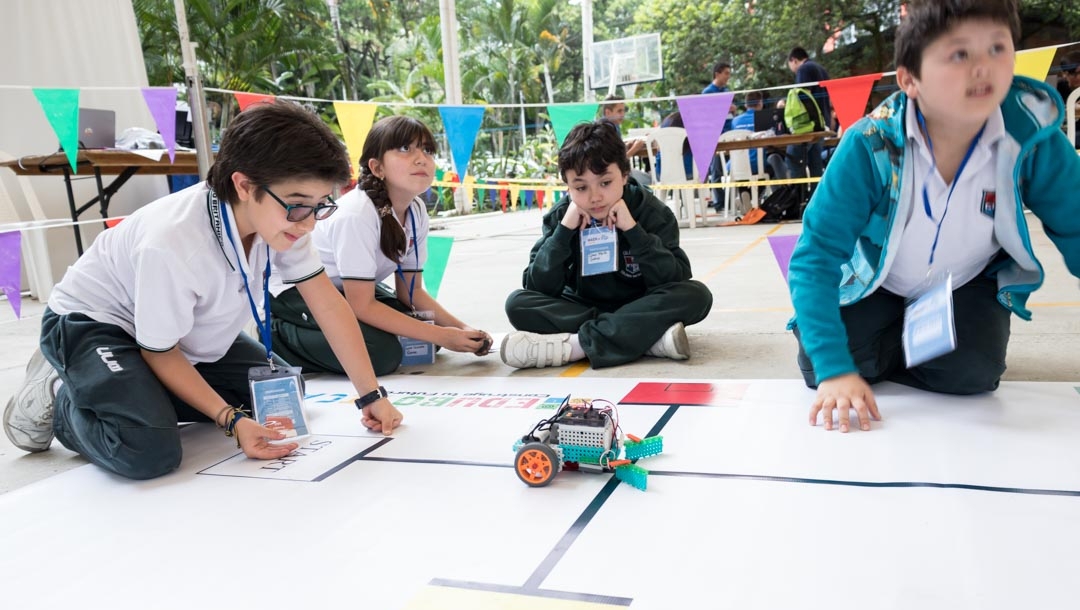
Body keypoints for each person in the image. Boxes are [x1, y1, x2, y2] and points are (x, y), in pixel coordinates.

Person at [2, 102, 403, 480]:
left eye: (320, 206)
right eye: (299, 204)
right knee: (147, 448)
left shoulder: (284, 220)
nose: (309, 223)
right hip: (96, 325)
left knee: (281, 392)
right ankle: (63, 399)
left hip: (177, 332)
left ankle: (133, 392)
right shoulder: (173, 243)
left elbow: (328, 305)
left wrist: (370, 394)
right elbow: (159, 351)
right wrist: (230, 420)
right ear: (243, 185)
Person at [787, 0, 1080, 434]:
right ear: (909, 79)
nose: (983, 68)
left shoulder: (1032, 139)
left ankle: (914, 344)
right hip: (878, 282)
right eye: (959, 53)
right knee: (822, 368)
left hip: (966, 282)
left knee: (973, 374)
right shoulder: (869, 144)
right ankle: (896, 339)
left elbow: (1076, 226)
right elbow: (816, 256)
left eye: (998, 48)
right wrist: (836, 369)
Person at [269, 115, 492, 376]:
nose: (421, 158)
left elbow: (411, 293)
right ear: (377, 167)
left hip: (348, 292)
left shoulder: (416, 210)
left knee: (425, 336)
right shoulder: (357, 214)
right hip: (297, 292)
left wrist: (462, 330)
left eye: (427, 150)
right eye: (405, 148)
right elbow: (362, 305)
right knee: (382, 353)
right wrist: (443, 335)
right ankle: (275, 337)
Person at [501, 121, 713, 369]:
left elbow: (674, 278)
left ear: (624, 175)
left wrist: (633, 230)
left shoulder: (652, 212)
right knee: (517, 303)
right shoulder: (562, 216)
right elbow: (537, 286)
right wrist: (563, 232)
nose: (595, 197)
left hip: (639, 303)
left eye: (605, 183)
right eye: (581, 187)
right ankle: (645, 338)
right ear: (568, 186)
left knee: (697, 295)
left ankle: (576, 346)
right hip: (583, 306)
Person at [784, 46, 831, 189]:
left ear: (794, 60)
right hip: (822, 124)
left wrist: (785, 104)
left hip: (808, 125)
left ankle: (799, 196)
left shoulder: (804, 69)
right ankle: (816, 197)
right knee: (815, 164)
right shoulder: (821, 69)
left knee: (793, 159)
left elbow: (802, 96)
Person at [729, 90, 788, 181]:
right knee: (775, 160)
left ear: (746, 105)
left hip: (735, 166)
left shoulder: (735, 121)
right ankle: (783, 188)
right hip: (757, 165)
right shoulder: (765, 118)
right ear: (760, 103)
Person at [600, 93, 651, 185]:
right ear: (608, 113)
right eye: (619, 111)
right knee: (650, 180)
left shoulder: (613, 126)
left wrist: (626, 146)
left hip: (614, 173)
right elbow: (616, 163)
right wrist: (635, 148)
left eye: (624, 111)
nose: (623, 114)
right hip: (611, 175)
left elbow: (615, 154)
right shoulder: (606, 130)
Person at [1055, 51, 1080, 148]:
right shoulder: (1061, 87)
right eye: (1075, 73)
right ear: (1064, 74)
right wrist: (1069, 110)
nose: (1079, 77)